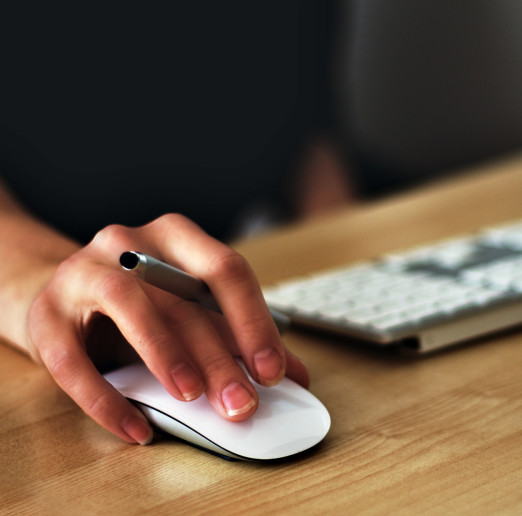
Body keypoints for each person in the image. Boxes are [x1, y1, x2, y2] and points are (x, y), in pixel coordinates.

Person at [0, 4, 349, 446]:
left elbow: (312, 125)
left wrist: (346, 266)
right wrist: (42, 283)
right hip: (55, 246)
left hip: (228, 272)